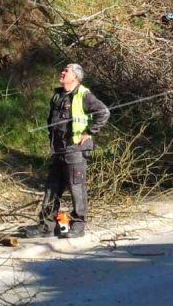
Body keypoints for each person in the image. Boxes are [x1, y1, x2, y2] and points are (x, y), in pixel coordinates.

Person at [26, 64, 110, 238]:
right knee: (52, 188)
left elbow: (104, 112)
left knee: (76, 189)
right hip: (58, 150)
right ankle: (46, 226)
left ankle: (78, 226)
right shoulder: (58, 95)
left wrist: (89, 132)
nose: (62, 72)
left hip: (75, 150)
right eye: (63, 70)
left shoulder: (84, 95)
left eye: (66, 71)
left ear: (76, 77)